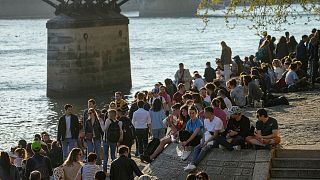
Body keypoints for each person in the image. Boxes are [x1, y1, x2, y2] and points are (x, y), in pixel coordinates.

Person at [184, 107, 223, 171]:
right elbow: (205, 132)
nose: (203, 114)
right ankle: (192, 163)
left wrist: (206, 142)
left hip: (216, 139)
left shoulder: (218, 120)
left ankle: (194, 164)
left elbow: (215, 135)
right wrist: (203, 140)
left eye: (205, 113)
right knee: (197, 147)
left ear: (209, 113)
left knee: (205, 148)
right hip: (207, 137)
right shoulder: (205, 120)